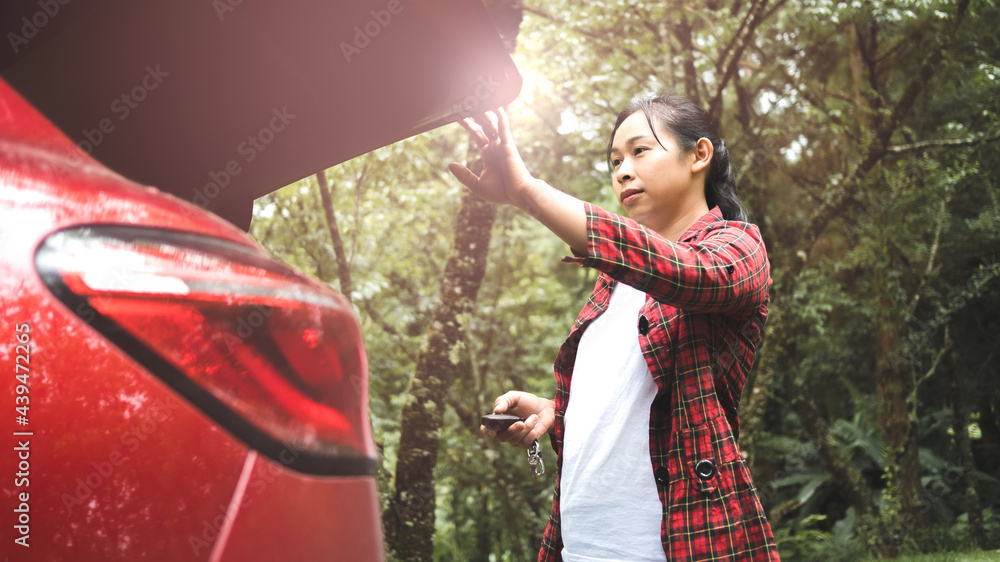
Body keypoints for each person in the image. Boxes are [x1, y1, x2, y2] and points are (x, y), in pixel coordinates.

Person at [449, 92, 780, 561]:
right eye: (615, 160)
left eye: (640, 151)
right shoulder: (611, 284)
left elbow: (687, 274)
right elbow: (630, 406)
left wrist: (528, 192)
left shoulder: (737, 247)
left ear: (699, 156)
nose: (622, 170)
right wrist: (556, 411)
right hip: (579, 546)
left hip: (680, 544)